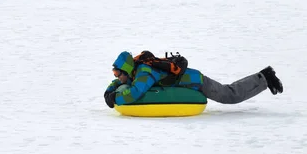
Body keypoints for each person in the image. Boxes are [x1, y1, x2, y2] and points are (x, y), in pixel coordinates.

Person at [104, 51, 283, 108]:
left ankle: (265, 77)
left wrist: (115, 98)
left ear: (126, 70)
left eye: (117, 74)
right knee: (230, 93)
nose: (116, 77)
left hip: (195, 81)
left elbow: (135, 92)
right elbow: (123, 83)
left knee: (230, 96)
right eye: (114, 74)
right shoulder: (133, 70)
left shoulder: (144, 73)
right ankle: (263, 77)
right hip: (189, 79)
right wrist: (109, 91)